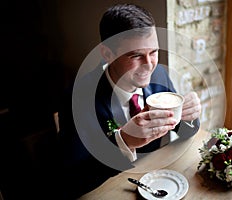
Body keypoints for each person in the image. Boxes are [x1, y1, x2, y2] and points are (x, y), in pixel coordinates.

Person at [57, 3, 201, 199]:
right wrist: (123, 142)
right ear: (107, 54)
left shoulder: (158, 74)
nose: (149, 65)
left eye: (154, 52)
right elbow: (72, 180)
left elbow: (184, 132)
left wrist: (189, 116)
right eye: (136, 55)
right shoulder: (78, 98)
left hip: (157, 180)